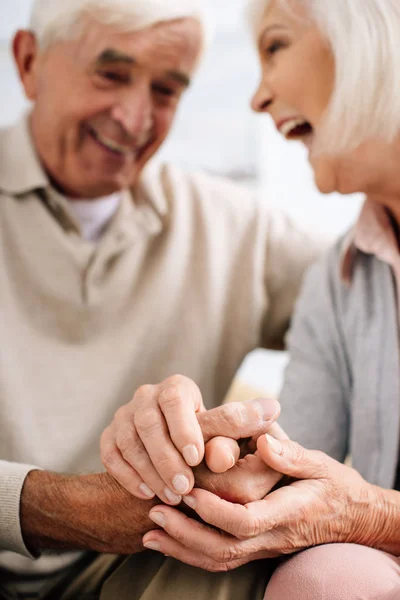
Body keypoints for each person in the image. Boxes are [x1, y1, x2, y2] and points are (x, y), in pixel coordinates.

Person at [0, 0, 326, 598]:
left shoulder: (233, 228)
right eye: (111, 73)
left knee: (238, 545)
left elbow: (360, 289)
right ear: (28, 63)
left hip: (130, 568)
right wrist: (61, 505)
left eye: (166, 90)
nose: (133, 117)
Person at [137, 0, 400, 598]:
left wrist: (372, 513)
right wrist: (206, 451)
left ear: (371, 34)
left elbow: (349, 508)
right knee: (323, 579)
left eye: (276, 46)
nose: (257, 98)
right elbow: (293, 473)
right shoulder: (338, 280)